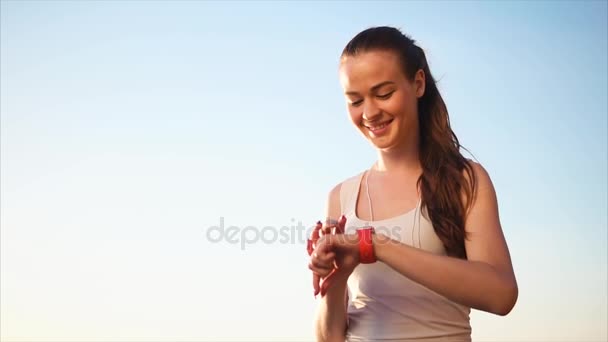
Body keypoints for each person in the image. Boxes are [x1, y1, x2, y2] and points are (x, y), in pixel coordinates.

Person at [307, 26, 518, 342]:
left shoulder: (465, 181)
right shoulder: (341, 197)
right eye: (354, 100)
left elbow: (501, 295)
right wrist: (334, 279)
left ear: (418, 83)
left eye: (383, 93)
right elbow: (330, 338)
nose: (369, 112)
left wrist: (376, 245)